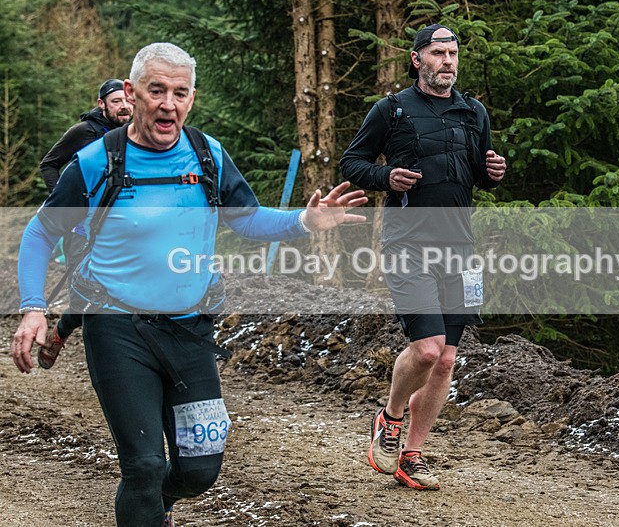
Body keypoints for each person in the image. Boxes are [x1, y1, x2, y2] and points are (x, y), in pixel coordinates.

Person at [11, 42, 367, 526]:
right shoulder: (97, 161)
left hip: (189, 330)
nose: (168, 103)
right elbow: (40, 231)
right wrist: (34, 307)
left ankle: (158, 510)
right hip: (116, 328)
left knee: (199, 470)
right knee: (144, 466)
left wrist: (304, 221)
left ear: (191, 99)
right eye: (156, 90)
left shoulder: (207, 154)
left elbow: (246, 219)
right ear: (132, 94)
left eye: (179, 93)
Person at [340, 23, 507, 490]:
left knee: (448, 360)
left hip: (460, 247)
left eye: (453, 53)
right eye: (437, 53)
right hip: (407, 242)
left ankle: (411, 455)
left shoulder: (473, 111)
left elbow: (476, 170)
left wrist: (493, 172)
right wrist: (386, 176)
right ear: (418, 60)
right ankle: (390, 418)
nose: (447, 61)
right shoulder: (391, 109)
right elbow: (351, 163)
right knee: (427, 348)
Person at [36, 78, 133, 369]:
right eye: (116, 102)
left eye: (127, 101)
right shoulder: (84, 132)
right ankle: (61, 332)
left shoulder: (137, 133)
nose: (123, 107)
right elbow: (49, 164)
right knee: (87, 291)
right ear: (102, 105)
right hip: (81, 228)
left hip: (123, 228)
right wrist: (65, 203)